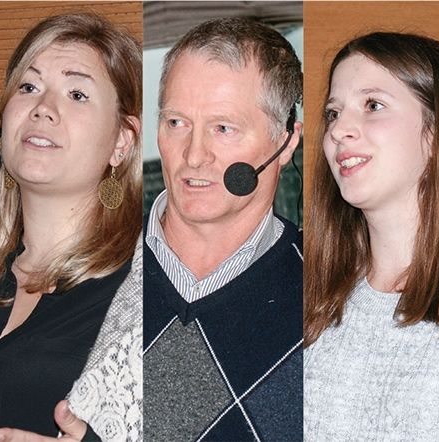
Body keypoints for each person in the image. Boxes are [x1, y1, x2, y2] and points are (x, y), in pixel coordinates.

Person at [0, 13, 143, 441]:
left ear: (122, 142)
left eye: (76, 94)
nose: (43, 109)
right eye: (28, 87)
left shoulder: (153, 280)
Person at [142, 17, 303, 441]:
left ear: (287, 143)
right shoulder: (94, 265)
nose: (194, 155)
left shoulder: (330, 287)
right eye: (176, 123)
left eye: (223, 128)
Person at [302, 32, 439, 441]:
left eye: (372, 105)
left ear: (436, 132)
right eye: (333, 113)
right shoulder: (304, 291)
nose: (339, 130)